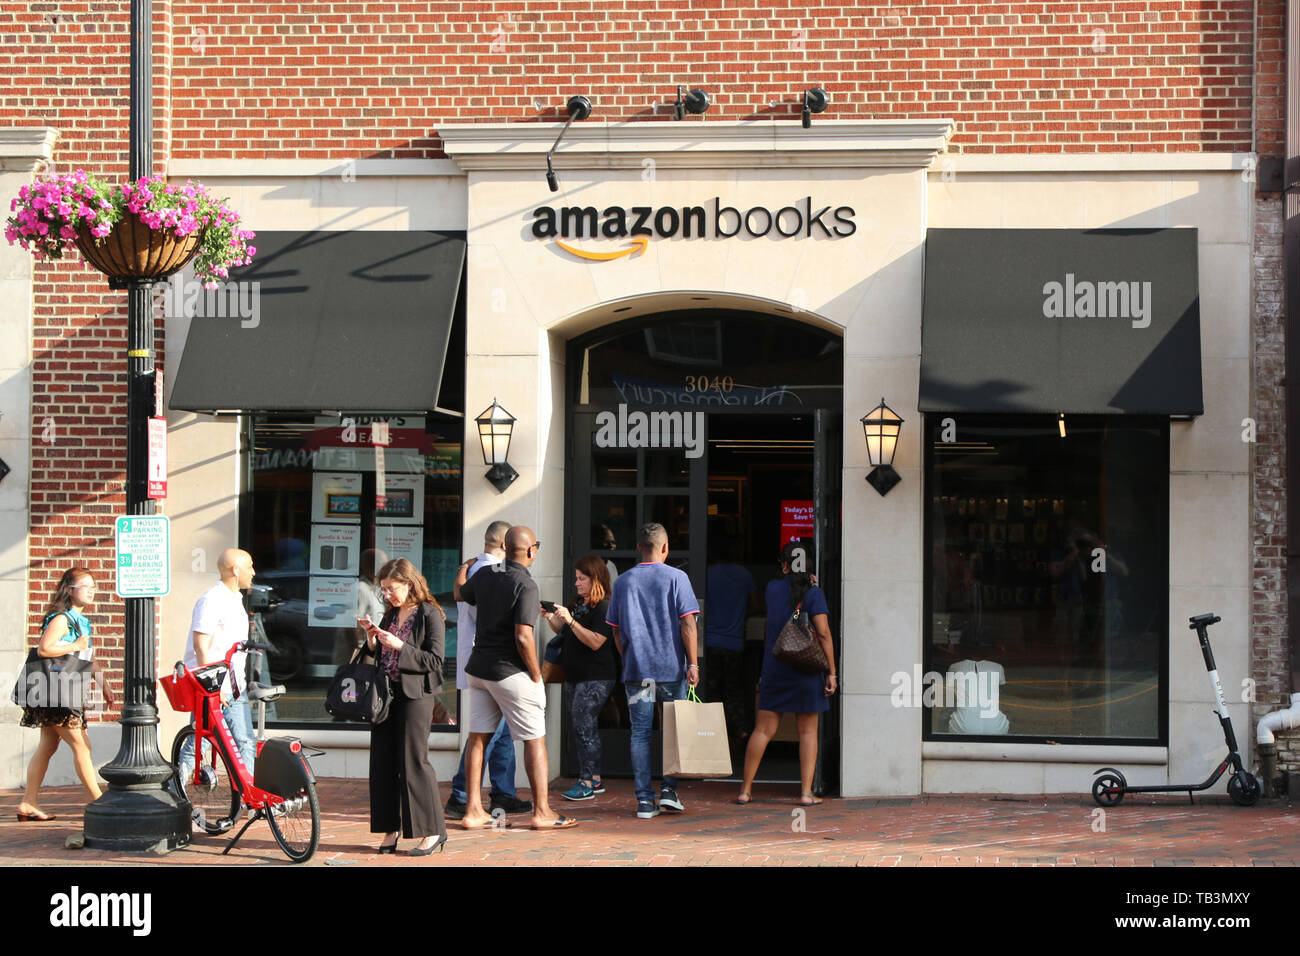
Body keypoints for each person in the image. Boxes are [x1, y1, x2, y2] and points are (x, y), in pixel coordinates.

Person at [454, 526, 576, 830]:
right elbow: (523, 637)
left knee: (477, 738)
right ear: (531, 551)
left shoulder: (485, 573)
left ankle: (472, 811)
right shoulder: (526, 583)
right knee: (535, 739)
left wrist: (464, 567)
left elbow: (460, 593)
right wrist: (536, 673)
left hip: (478, 668)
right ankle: (542, 812)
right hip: (510, 671)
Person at [606, 522, 700, 819]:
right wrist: (693, 663)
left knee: (640, 735)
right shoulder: (677, 577)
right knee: (673, 733)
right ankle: (669, 791)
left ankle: (644, 801)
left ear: (638, 548)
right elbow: (688, 624)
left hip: (637, 671)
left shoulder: (622, 582)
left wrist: (629, 656)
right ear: (665, 547)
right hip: (671, 669)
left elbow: (616, 631)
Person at [358, 557, 449, 856]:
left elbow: (435, 661)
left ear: (409, 583)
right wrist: (373, 640)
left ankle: (432, 831)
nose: (387, 595)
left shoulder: (429, 614)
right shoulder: (391, 613)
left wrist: (399, 646)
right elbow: (376, 655)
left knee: (413, 762)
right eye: (383, 590)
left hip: (415, 695)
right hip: (386, 694)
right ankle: (390, 829)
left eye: (391, 588)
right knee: (382, 763)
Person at [737, 540, 837, 806]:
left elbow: (787, 589)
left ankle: (745, 790)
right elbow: (824, 634)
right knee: (807, 732)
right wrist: (832, 671)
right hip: (806, 669)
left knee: (763, 730)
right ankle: (805, 793)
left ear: (784, 565)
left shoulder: (771, 589)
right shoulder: (814, 594)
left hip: (775, 667)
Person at [444, 521, 532, 820]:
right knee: (486, 734)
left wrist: (460, 569)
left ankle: (502, 792)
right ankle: (461, 794)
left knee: (500, 732)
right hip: (497, 662)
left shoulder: (472, 570)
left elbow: (459, 594)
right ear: (506, 545)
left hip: (477, 658)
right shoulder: (495, 572)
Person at [16, 567, 117, 822]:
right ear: (70, 590)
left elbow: (88, 657)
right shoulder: (62, 619)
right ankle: (100, 802)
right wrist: (76, 645)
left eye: (93, 585)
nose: (91, 590)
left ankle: (29, 802)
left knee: (48, 746)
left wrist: (103, 684)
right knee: (82, 745)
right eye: (85, 585)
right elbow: (44, 649)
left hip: (65, 690)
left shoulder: (82, 621)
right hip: (55, 692)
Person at [541, 554, 617, 801]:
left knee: (583, 725)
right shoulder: (578, 603)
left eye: (581, 579)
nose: (576, 583)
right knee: (584, 726)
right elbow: (564, 631)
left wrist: (570, 620)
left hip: (596, 677)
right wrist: (552, 617)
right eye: (576, 578)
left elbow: (596, 642)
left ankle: (586, 781)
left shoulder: (605, 606)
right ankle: (594, 779)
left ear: (595, 579)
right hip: (573, 676)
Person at [180, 549, 258, 776]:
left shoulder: (235, 600)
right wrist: (210, 687)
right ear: (235, 570)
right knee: (201, 742)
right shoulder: (211, 600)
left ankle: (249, 800)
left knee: (245, 742)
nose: (253, 572)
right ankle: (177, 790)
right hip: (213, 688)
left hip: (235, 687)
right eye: (249, 567)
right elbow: (200, 646)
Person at [704, 538, 760, 749]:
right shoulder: (744, 575)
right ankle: (741, 731)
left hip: (709, 641)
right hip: (734, 643)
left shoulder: (706, 573)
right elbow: (755, 605)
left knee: (709, 691)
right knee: (734, 690)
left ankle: (710, 734)